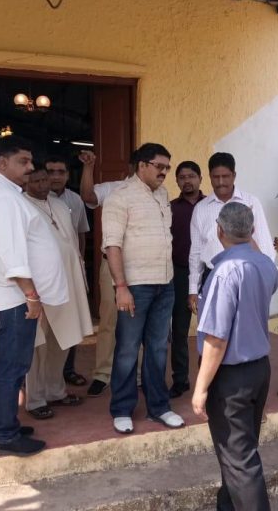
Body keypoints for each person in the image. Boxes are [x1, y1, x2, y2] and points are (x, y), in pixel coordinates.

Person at [0, 135, 68, 456]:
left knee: (0, 367)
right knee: (11, 370)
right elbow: (11, 253)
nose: (30, 168)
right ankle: (5, 434)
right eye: (23, 162)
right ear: (2, 163)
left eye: (30, 162)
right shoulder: (2, 199)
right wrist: (32, 295)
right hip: (9, 299)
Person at [192, 202, 278, 511]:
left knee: (240, 462)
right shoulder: (265, 265)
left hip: (231, 379)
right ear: (253, 231)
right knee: (240, 454)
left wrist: (201, 388)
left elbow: (216, 338)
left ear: (219, 231)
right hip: (258, 371)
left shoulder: (226, 272)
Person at [102, 142, 183, 434]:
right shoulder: (119, 198)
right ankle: (122, 408)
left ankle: (158, 407)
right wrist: (120, 286)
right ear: (142, 166)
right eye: (160, 166)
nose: (164, 173)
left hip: (166, 284)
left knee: (159, 349)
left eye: (167, 168)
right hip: (135, 287)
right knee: (127, 349)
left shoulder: (162, 195)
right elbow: (112, 245)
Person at [23, 165, 92, 419]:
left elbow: (73, 242)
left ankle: (56, 390)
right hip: (39, 288)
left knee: (63, 341)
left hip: (67, 284)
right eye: (37, 180)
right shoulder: (21, 207)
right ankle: (35, 399)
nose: (43, 184)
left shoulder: (61, 205)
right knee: (37, 346)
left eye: (46, 179)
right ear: (26, 182)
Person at [188, 152, 275, 313]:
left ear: (234, 175)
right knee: (213, 330)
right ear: (209, 176)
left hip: (246, 277)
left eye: (226, 176)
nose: (221, 182)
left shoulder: (251, 202)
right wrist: (193, 289)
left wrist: (266, 280)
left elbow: (265, 245)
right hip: (212, 277)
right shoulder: (201, 209)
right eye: (216, 177)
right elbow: (196, 252)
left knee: (242, 330)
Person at [78, 149, 135, 398]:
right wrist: (89, 167)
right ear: (133, 168)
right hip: (111, 264)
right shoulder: (114, 189)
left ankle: (139, 374)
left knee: (139, 321)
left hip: (142, 267)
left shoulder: (158, 194)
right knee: (109, 321)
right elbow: (88, 196)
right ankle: (104, 373)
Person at [45, 156, 90, 387]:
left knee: (72, 322)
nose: (55, 176)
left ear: (67, 175)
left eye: (60, 171)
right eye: (50, 171)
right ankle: (42, 378)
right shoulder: (35, 200)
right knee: (48, 327)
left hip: (71, 271)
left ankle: (68, 370)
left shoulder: (75, 200)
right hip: (46, 277)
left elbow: (80, 234)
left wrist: (79, 262)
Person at [169, 161, 205, 398]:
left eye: (191, 176)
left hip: (208, 273)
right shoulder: (170, 208)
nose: (187, 181)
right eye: (182, 177)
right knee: (180, 330)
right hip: (180, 273)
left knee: (210, 329)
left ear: (200, 178)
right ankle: (180, 379)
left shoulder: (212, 205)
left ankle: (208, 379)